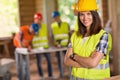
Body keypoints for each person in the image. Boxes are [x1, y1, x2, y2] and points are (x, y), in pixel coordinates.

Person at [64, 0, 112, 80]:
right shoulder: (74, 36)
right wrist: (86, 63)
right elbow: (66, 61)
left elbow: (93, 63)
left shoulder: (103, 36)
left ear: (94, 15)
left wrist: (74, 56)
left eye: (88, 13)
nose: (85, 18)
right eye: (82, 14)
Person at [32, 13, 53, 79]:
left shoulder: (44, 26)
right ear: (34, 19)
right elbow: (30, 37)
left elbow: (48, 35)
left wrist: (51, 44)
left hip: (45, 47)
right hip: (37, 48)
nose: (38, 21)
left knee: (49, 61)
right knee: (39, 63)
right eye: (37, 19)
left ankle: (50, 75)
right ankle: (41, 76)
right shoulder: (32, 27)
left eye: (40, 19)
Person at [51, 11, 70, 77]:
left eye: (56, 17)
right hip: (58, 46)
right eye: (54, 18)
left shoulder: (66, 24)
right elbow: (52, 36)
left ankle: (70, 73)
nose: (55, 19)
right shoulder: (52, 25)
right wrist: (55, 44)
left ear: (59, 16)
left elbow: (69, 34)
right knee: (59, 60)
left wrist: (69, 44)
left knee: (69, 59)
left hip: (66, 45)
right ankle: (61, 73)